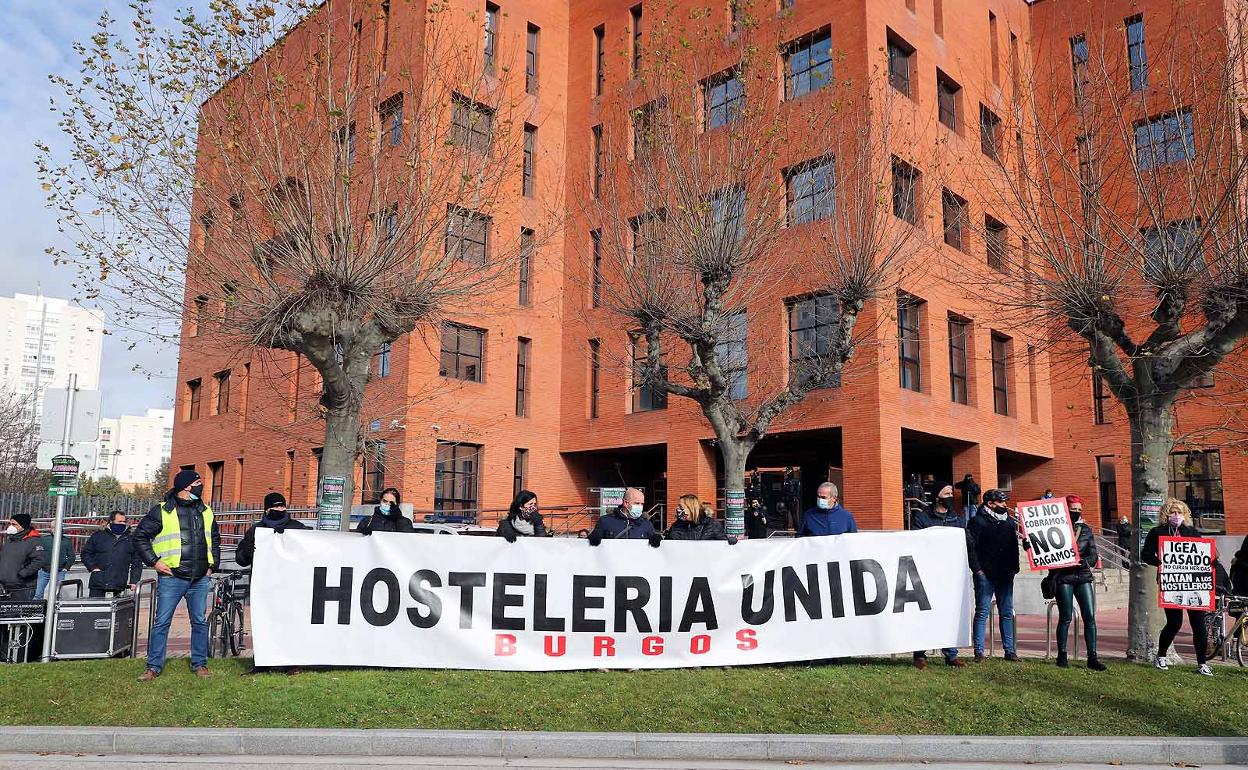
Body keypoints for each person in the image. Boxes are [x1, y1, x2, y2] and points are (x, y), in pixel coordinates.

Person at [134, 469, 221, 682]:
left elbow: (215, 540)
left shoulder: (206, 511)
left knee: (199, 622)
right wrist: (154, 562)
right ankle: (153, 667)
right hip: (172, 577)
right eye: (198, 482)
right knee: (161, 622)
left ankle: (200, 664)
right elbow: (140, 537)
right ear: (186, 486)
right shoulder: (162, 511)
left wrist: (212, 565)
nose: (202, 486)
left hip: (200, 578)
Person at [1142, 498, 1213, 676]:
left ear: (1185, 515)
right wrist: (1161, 562)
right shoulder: (1157, 532)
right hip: (1171, 582)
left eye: (1179, 512)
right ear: (1166, 514)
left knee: (1199, 624)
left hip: (1193, 583)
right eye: (1173, 512)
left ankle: (1202, 663)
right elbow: (1146, 555)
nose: (1176, 515)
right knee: (1175, 622)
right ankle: (1161, 656)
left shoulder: (1192, 532)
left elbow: (1204, 555)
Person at [908, 486, 968, 669]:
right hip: (928, 572)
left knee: (949, 612)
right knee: (924, 611)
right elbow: (916, 542)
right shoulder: (922, 517)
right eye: (947, 494)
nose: (951, 497)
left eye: (951, 494)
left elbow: (965, 541)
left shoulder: (957, 519)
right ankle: (919, 654)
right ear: (937, 497)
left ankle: (951, 654)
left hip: (950, 573)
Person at [1048, 495, 1105, 671]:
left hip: (1082, 575)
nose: (1077, 512)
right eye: (1073, 510)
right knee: (1065, 617)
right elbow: (1044, 550)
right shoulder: (1054, 528)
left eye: (1079, 510)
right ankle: (1062, 655)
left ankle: (1092, 657)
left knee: (1089, 616)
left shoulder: (1086, 529)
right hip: (1063, 576)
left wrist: (1084, 561)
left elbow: (1093, 554)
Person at [966, 490, 1020, 662]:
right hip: (985, 575)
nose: (1005, 505)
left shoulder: (1009, 522)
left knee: (1006, 612)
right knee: (982, 612)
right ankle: (979, 652)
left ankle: (1009, 651)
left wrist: (1014, 567)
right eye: (1001, 502)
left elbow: (1014, 546)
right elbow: (971, 547)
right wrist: (978, 570)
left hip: (1005, 574)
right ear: (990, 503)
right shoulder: (977, 521)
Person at [81, 511, 144, 598]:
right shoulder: (98, 536)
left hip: (119, 584)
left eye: (124, 522)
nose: (122, 524)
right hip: (98, 583)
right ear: (111, 521)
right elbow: (86, 553)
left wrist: (134, 580)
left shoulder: (131, 539)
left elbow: (137, 562)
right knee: (95, 609)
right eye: (119, 521)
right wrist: (93, 567)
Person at [236, 493, 308, 568]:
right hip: (263, 575)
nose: (280, 509)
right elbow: (241, 560)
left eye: (282, 506)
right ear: (267, 510)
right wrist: (247, 553)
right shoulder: (256, 529)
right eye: (276, 507)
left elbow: (308, 551)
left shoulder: (297, 527)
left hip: (289, 574)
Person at [588, 487, 661, 545]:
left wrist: (657, 540)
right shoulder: (605, 521)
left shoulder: (646, 524)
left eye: (642, 504)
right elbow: (592, 547)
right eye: (637, 503)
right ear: (626, 503)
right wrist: (593, 538)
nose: (640, 506)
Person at [0, 514, 43, 600]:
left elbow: (39, 560)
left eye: (14, 524)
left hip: (23, 587)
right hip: (5, 586)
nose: (10, 527)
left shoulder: (33, 541)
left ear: (23, 526)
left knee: (19, 613)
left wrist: (23, 574)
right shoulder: (10, 540)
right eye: (10, 524)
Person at [34, 523, 75, 600]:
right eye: (53, 527)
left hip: (60, 571)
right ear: (51, 529)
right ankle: (37, 610)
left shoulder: (66, 541)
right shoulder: (44, 539)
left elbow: (72, 556)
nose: (54, 529)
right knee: (37, 594)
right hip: (44, 571)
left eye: (57, 527)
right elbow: (37, 553)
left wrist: (66, 567)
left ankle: (55, 610)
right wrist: (39, 565)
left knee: (57, 595)